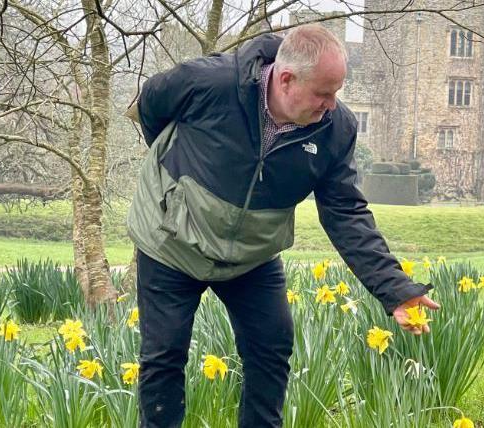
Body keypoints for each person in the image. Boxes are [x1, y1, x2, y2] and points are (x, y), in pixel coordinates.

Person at [126, 24, 439, 428]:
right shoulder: (210, 83)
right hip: (171, 241)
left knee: (271, 345)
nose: (332, 104)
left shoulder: (335, 129)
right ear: (286, 78)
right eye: (324, 93)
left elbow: (345, 212)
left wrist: (395, 289)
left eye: (337, 92)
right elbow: (151, 105)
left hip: (251, 255)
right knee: (164, 353)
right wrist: (182, 178)